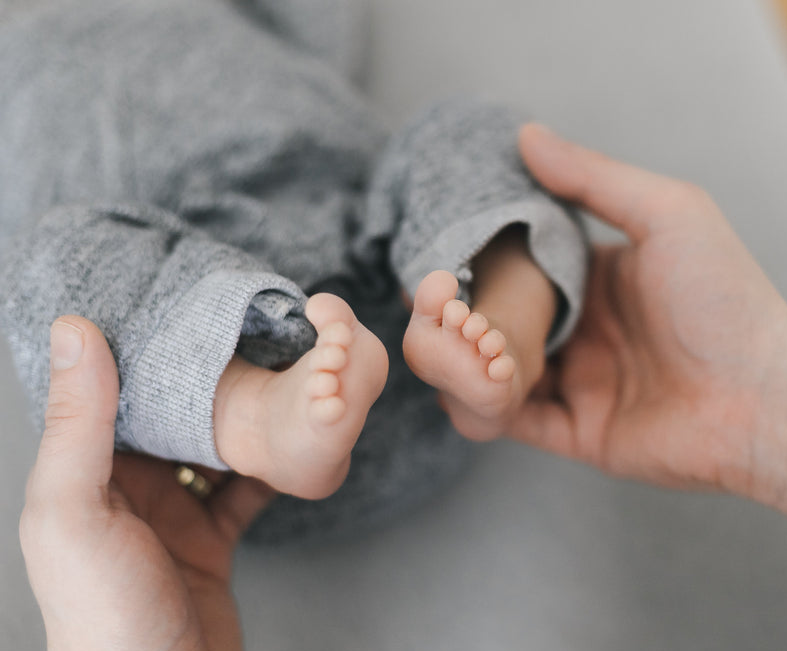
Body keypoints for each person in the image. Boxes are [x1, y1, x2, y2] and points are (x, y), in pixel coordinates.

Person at [22, 124, 787, 651]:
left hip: (377, 290)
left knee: (465, 137)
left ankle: (493, 326)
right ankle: (266, 398)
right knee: (57, 268)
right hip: (209, 407)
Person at [0, 0, 585, 536]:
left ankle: (503, 321)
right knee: (56, 270)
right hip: (208, 377)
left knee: (471, 126)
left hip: (385, 235)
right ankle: (251, 411)